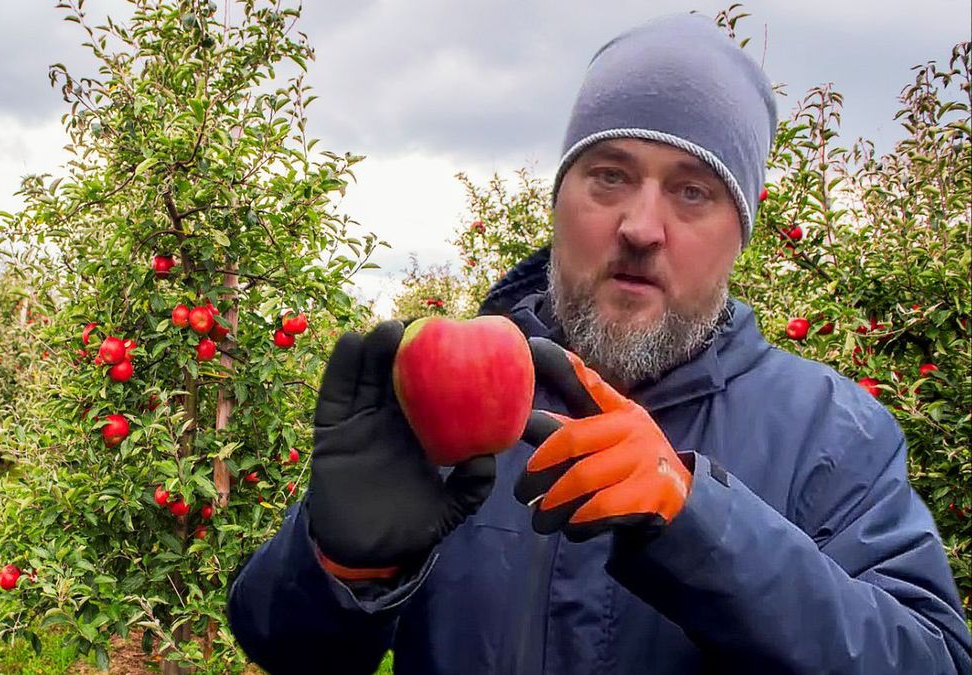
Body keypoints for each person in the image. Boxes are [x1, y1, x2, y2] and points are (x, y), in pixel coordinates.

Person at [226, 13, 972, 674]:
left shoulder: (832, 433)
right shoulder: (440, 403)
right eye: (609, 175)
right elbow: (285, 648)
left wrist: (700, 523)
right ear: (558, 200)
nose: (641, 226)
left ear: (739, 232)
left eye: (692, 191)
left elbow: (929, 657)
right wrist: (338, 566)